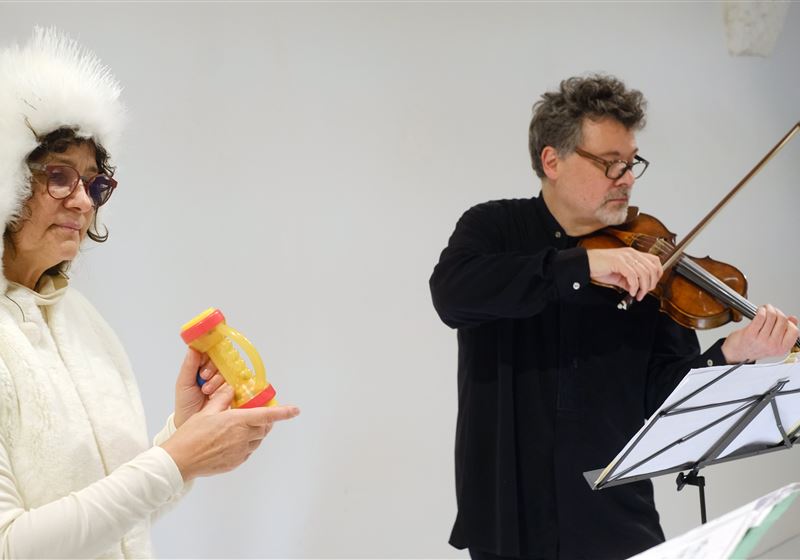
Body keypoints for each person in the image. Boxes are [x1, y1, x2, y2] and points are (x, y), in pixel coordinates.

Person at [429, 75, 798, 560]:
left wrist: (733, 353)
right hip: (509, 519)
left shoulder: (651, 260)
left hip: (615, 520)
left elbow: (659, 395)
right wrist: (582, 265)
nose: (626, 178)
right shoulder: (494, 228)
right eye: (610, 163)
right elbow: (452, 295)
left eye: (631, 162)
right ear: (552, 161)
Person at [0, 28, 300, 559]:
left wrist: (184, 434)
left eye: (94, 183)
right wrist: (177, 459)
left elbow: (120, 519)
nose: (83, 202)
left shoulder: (82, 322)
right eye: (59, 176)